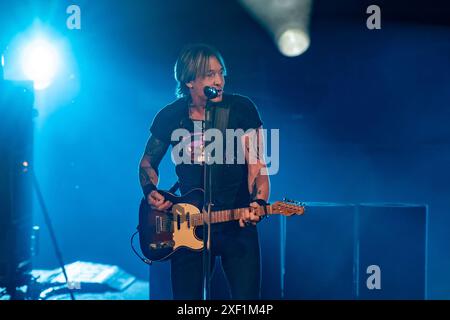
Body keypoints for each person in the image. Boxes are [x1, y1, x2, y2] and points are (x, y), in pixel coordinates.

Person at [138, 43, 270, 299]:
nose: (219, 80)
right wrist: (150, 190)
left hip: (237, 221)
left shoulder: (241, 109)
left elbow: (257, 167)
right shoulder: (170, 116)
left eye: (221, 73)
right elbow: (147, 163)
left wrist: (259, 201)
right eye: (210, 74)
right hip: (188, 223)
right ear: (189, 81)